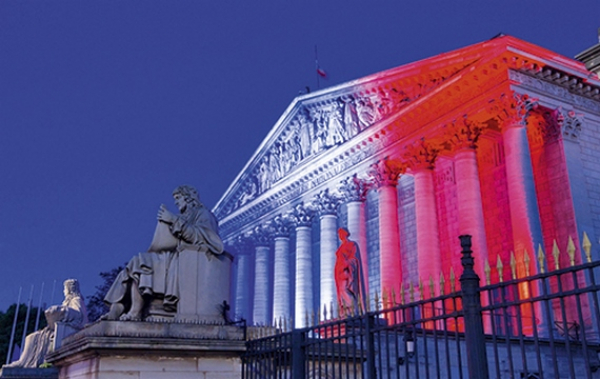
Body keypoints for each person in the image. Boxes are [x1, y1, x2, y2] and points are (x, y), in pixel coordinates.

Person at [103, 185, 224, 321]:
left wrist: (173, 220)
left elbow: (202, 237)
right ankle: (117, 307)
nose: (176, 202)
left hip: (184, 259)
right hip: (171, 256)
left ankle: (135, 311)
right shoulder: (184, 216)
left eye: (178, 198)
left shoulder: (203, 214)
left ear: (188, 198)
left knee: (141, 262)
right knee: (134, 264)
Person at [4, 279, 88, 368]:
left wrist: (63, 311)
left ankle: (26, 362)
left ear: (70, 289)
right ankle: (24, 361)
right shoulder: (67, 301)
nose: (64, 291)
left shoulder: (77, 300)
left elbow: (79, 316)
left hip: (65, 331)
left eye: (65, 289)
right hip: (56, 329)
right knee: (32, 337)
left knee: (36, 337)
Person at [334, 228, 362, 317]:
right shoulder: (340, 248)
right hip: (340, 273)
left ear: (345, 234)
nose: (340, 236)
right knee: (342, 291)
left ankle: (353, 309)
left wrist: (346, 264)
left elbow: (354, 259)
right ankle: (345, 311)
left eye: (341, 234)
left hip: (347, 272)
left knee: (346, 289)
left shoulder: (352, 244)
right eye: (339, 234)